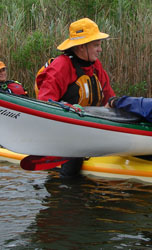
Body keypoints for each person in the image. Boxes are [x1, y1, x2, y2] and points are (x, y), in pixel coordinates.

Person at [35, 18, 116, 177]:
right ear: (81, 46)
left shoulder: (95, 65)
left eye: (100, 45)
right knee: (73, 165)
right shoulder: (61, 66)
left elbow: (109, 97)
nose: (100, 49)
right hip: (64, 132)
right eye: (96, 45)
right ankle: (66, 188)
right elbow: (44, 104)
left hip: (89, 128)